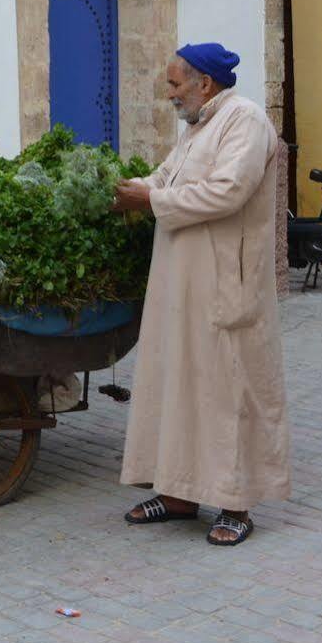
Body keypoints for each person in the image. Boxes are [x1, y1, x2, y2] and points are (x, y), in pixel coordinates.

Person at [109, 42, 290, 547]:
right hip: (181, 281)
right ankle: (179, 493)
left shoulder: (246, 121)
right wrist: (126, 190)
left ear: (203, 84)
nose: (168, 94)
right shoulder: (197, 127)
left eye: (173, 84)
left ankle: (236, 504)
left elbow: (228, 192)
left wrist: (151, 200)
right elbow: (165, 178)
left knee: (227, 389)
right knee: (180, 383)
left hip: (224, 281)